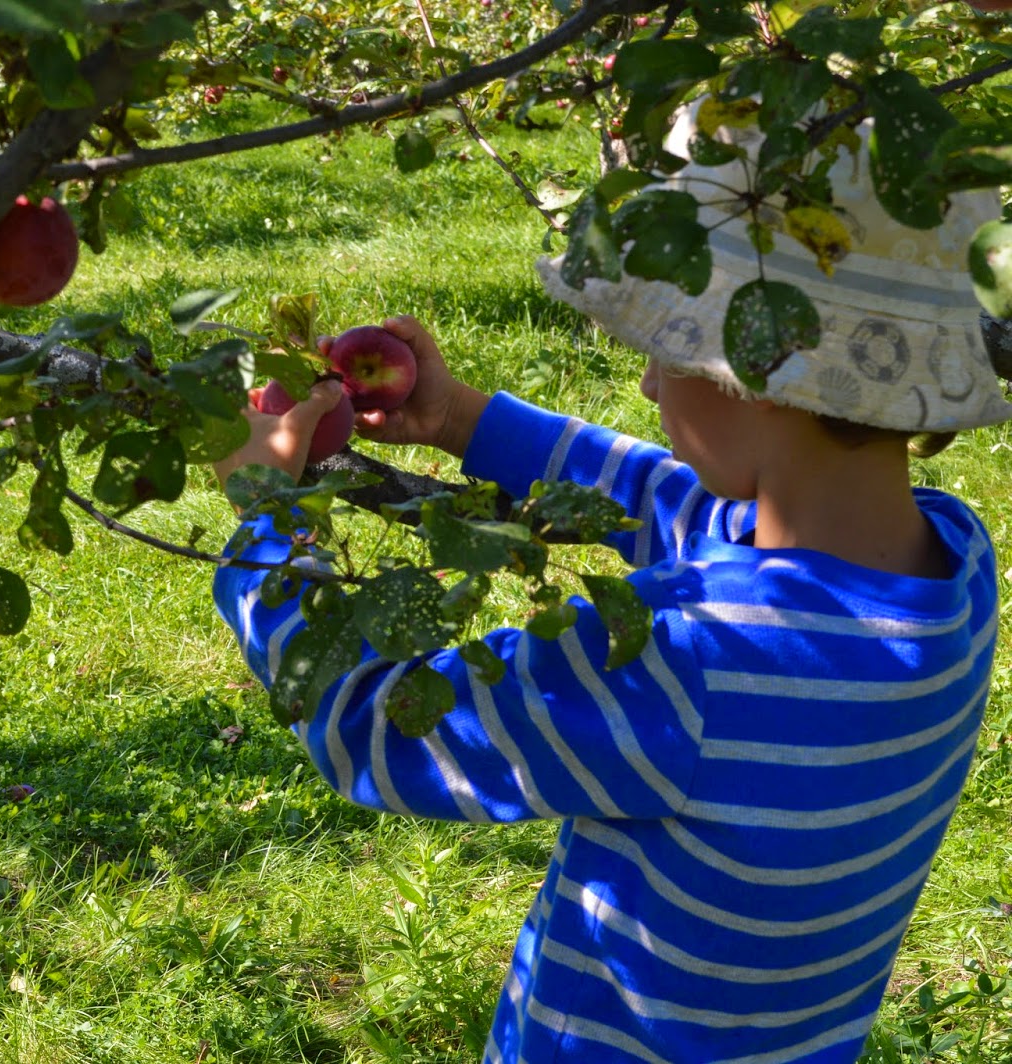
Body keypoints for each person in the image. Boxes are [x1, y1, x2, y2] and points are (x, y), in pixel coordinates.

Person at [208, 100, 1010, 1063]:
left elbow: (377, 728)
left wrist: (267, 515)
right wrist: (465, 419)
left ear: (756, 371)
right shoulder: (950, 574)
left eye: (668, 352)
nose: (646, 385)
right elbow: (680, 511)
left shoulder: (684, 663)